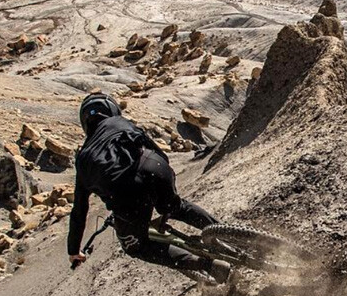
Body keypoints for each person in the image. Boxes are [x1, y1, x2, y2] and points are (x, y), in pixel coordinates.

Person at [66, 92, 231, 283]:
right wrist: (163, 184)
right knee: (177, 207)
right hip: (154, 167)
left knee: (137, 246)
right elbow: (157, 151)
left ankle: (210, 266)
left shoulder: (84, 157)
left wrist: (73, 250)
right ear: (112, 110)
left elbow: (79, 211)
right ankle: (229, 236)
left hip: (124, 196)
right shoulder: (120, 123)